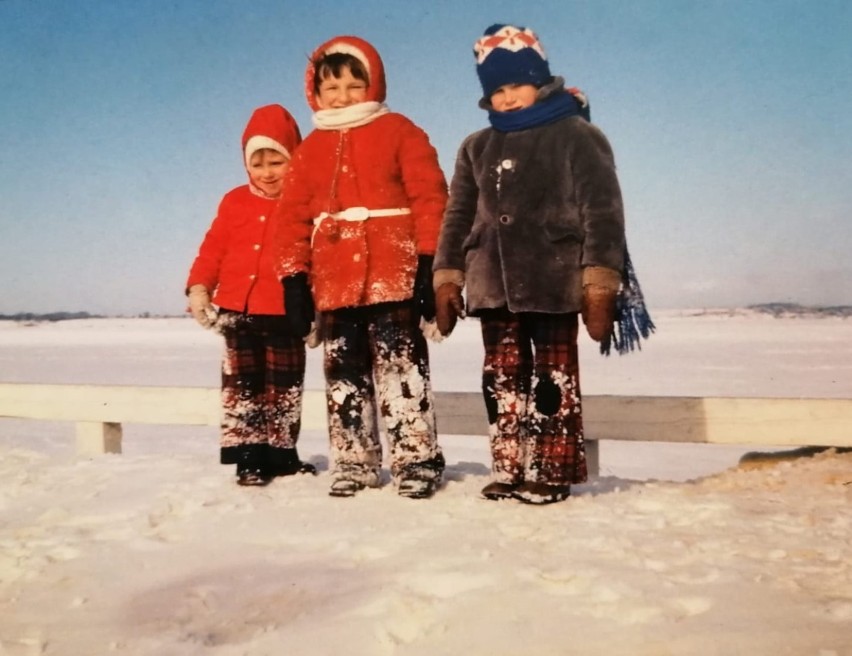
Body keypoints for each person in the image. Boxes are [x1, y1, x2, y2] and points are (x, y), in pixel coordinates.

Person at [433, 24, 649, 504]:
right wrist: (447, 275)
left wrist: (598, 283)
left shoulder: (576, 134)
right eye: (497, 90)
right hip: (493, 285)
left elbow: (603, 211)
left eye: (516, 85)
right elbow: (458, 214)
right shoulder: (475, 147)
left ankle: (551, 471)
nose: (507, 98)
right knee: (501, 380)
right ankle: (509, 469)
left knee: (553, 380)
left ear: (541, 80)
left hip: (553, 280)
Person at [273, 35, 448, 499]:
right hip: (335, 283)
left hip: (395, 273)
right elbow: (291, 219)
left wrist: (431, 262)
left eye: (354, 84)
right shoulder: (309, 150)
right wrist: (293, 279)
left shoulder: (401, 131)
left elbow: (431, 199)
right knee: (343, 376)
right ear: (315, 92)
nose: (343, 96)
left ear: (374, 84)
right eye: (332, 88)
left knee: (401, 371)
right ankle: (353, 460)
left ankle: (417, 459)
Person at [185, 103, 317, 486]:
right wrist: (199, 288)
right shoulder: (234, 201)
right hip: (237, 312)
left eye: (276, 162)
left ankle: (281, 455)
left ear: (294, 159)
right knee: (244, 388)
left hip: (284, 313)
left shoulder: (303, 204)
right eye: (257, 164)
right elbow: (212, 249)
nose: (266, 173)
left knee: (284, 387)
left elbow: (317, 258)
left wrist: (317, 311)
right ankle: (249, 458)